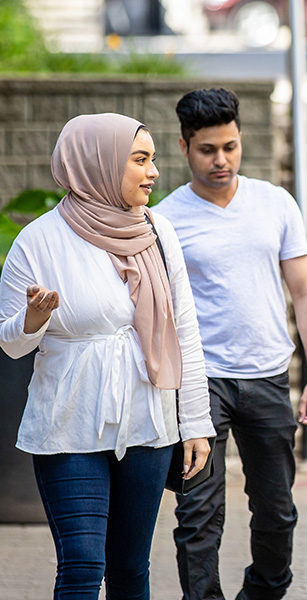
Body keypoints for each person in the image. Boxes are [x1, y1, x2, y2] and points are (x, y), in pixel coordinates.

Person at [0, 113, 215, 599]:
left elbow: (185, 333)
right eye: (139, 160)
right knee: (81, 563)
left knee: (129, 569)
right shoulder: (40, 240)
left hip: (148, 422)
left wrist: (196, 423)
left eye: (153, 159)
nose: (153, 171)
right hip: (68, 424)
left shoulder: (159, 232)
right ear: (96, 163)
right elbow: (10, 342)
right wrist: (32, 320)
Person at [153, 88, 307, 600]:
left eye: (230, 147)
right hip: (199, 384)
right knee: (198, 512)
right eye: (208, 149)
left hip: (268, 377)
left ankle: (264, 592)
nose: (221, 160)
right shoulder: (166, 219)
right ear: (185, 147)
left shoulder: (275, 203)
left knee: (277, 510)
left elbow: (305, 293)